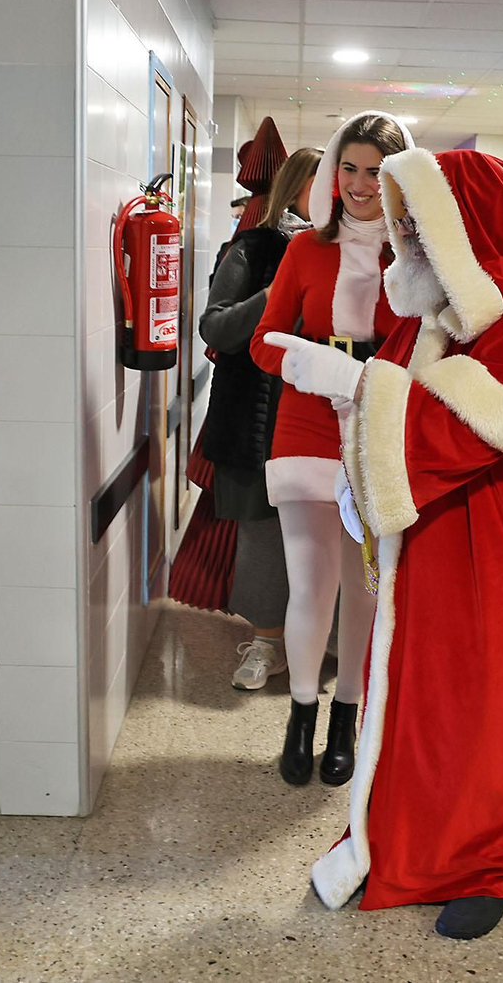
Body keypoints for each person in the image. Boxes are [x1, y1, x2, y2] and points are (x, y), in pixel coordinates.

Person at [269, 148, 503, 940]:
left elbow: (462, 427)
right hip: (430, 552)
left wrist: (354, 384)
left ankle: (488, 865)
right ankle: (402, 843)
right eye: (405, 227)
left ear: (471, 227)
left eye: (422, 225)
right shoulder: (432, 314)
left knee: (497, 713)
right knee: (422, 699)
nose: (406, 244)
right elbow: (404, 408)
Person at [249, 112, 412, 786]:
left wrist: (371, 377)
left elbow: (430, 349)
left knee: (363, 590)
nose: (359, 183)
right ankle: (300, 714)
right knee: (311, 584)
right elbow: (262, 338)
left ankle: (346, 716)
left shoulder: (413, 257)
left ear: (397, 175)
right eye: (349, 167)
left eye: (375, 170)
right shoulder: (303, 250)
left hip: (377, 433)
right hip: (308, 428)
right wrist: (303, 365)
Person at [200, 147, 319, 689]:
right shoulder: (254, 247)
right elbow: (216, 327)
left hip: (327, 420)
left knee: (328, 537)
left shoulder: (364, 254)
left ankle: (322, 639)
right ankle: (268, 642)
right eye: (326, 182)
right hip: (257, 418)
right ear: (295, 187)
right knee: (263, 536)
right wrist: (277, 292)